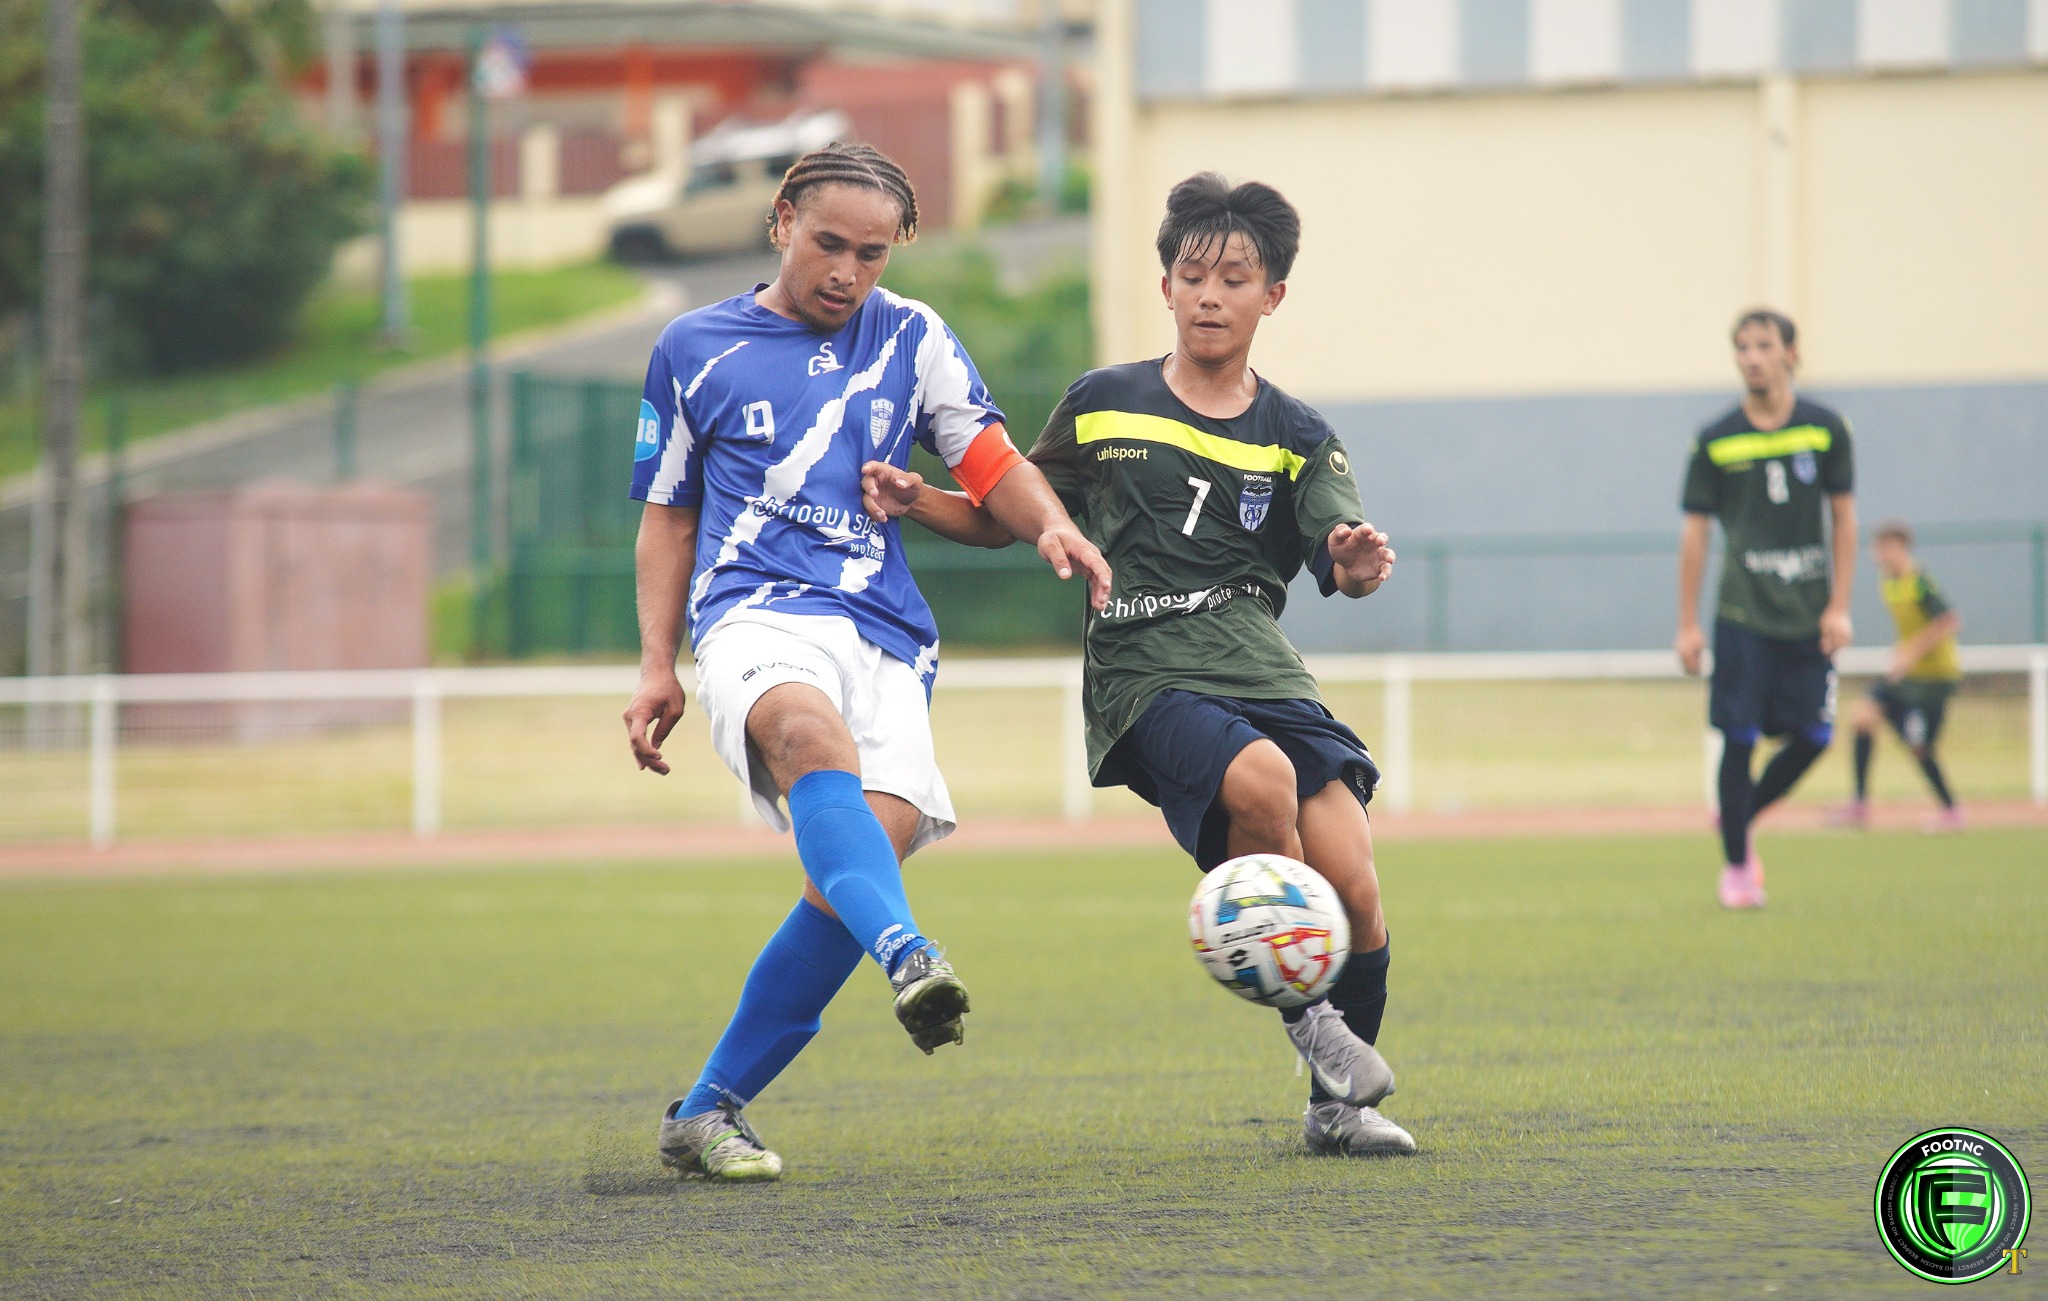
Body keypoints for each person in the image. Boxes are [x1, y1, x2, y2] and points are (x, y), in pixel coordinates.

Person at [862, 174, 1413, 1157]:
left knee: (1357, 886)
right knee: (1262, 782)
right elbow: (1007, 512)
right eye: (1190, 273)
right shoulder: (1102, 403)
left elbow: (1343, 550)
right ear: (1164, 285)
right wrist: (918, 497)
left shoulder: (1295, 434)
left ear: (1270, 296)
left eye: (1232, 277)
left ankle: (1336, 1107)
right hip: (1143, 666)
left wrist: (1356, 563)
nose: (1208, 293)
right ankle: (1311, 1026)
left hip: (1263, 669)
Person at [622, 142, 1110, 1182]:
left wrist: (1049, 527)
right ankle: (911, 955)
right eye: (829, 243)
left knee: (848, 873)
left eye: (871, 254)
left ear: (898, 252)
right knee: (807, 740)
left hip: (886, 632)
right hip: (754, 611)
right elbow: (667, 517)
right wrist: (656, 662)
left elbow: (986, 459)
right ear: (781, 221)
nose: (846, 271)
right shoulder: (692, 345)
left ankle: (705, 1109)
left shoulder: (914, 336)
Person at [1676, 309, 1856, 909]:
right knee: (1740, 736)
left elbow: (1845, 518)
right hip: (1743, 614)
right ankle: (1737, 867)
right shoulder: (1715, 438)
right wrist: (1687, 623)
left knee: (1814, 734)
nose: (1752, 356)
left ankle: (1738, 815)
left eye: (1763, 345)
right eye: (1742, 347)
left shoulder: (1827, 430)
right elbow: (1695, 535)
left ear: (1790, 353)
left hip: (1808, 614)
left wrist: (1839, 606)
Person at [1831, 521, 1965, 831]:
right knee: (1862, 716)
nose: (1876, 554)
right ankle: (1859, 804)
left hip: (1934, 678)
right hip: (1906, 677)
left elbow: (1948, 620)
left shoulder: (1918, 580)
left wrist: (1910, 652)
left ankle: (1951, 810)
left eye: (1882, 547)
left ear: (1899, 546)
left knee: (1919, 746)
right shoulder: (1888, 582)